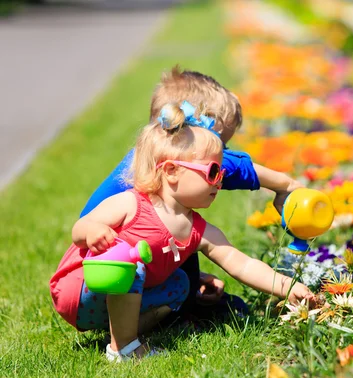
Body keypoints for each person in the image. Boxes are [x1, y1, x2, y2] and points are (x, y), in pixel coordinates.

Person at [50, 103, 314, 361]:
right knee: (131, 264)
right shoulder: (132, 204)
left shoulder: (198, 229)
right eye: (212, 171)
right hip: (81, 288)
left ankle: (119, 334)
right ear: (172, 171)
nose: (220, 179)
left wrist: (286, 287)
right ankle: (124, 350)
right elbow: (79, 228)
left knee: (182, 284)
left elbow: (241, 264)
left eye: (221, 171)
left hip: (113, 297)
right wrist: (94, 231)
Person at [79, 67, 303, 320]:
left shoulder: (158, 176)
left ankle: (182, 299)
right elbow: (235, 167)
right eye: (218, 146)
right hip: (99, 275)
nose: (221, 156)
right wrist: (285, 184)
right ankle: (172, 317)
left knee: (179, 237)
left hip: (111, 269)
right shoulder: (154, 174)